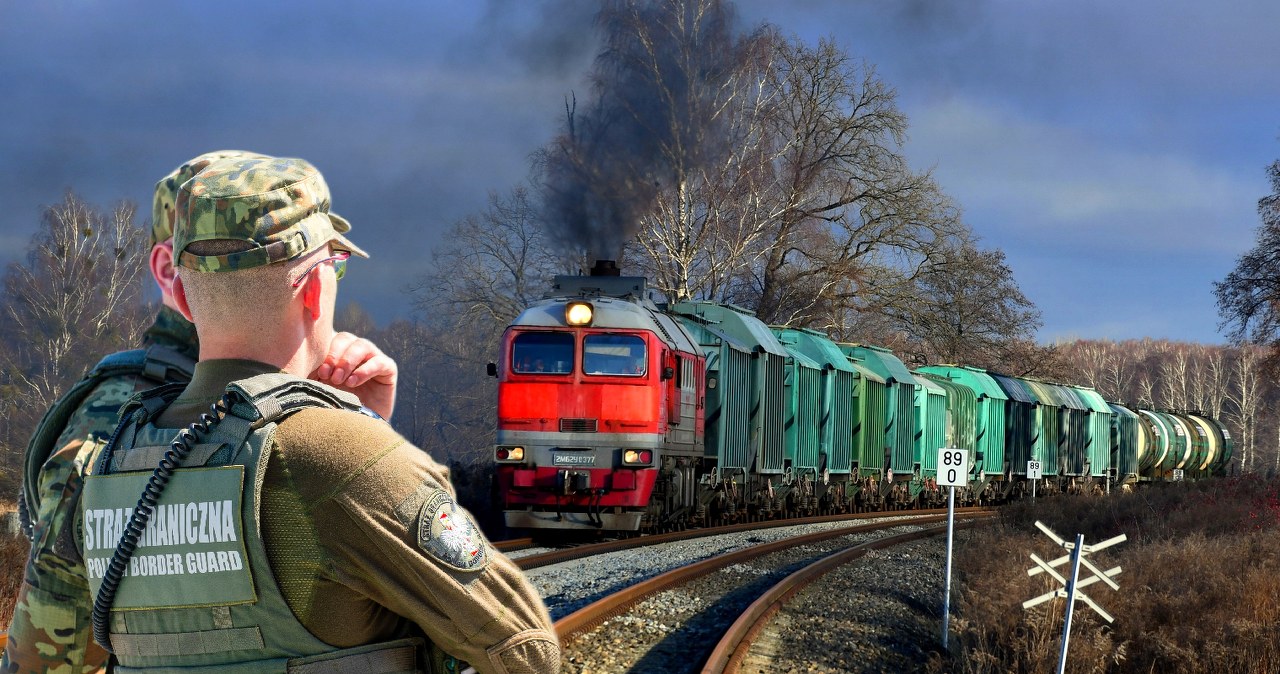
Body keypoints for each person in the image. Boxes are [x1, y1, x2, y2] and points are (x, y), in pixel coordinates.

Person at [77, 156, 559, 673]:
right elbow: (525, 649)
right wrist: (363, 434)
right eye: (337, 265)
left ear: (185, 299)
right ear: (314, 289)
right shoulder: (340, 456)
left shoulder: (112, 467)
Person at [2, 149, 260, 673]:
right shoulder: (112, 424)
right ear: (168, 268)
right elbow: (47, 661)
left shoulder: (304, 397)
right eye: (231, 256)